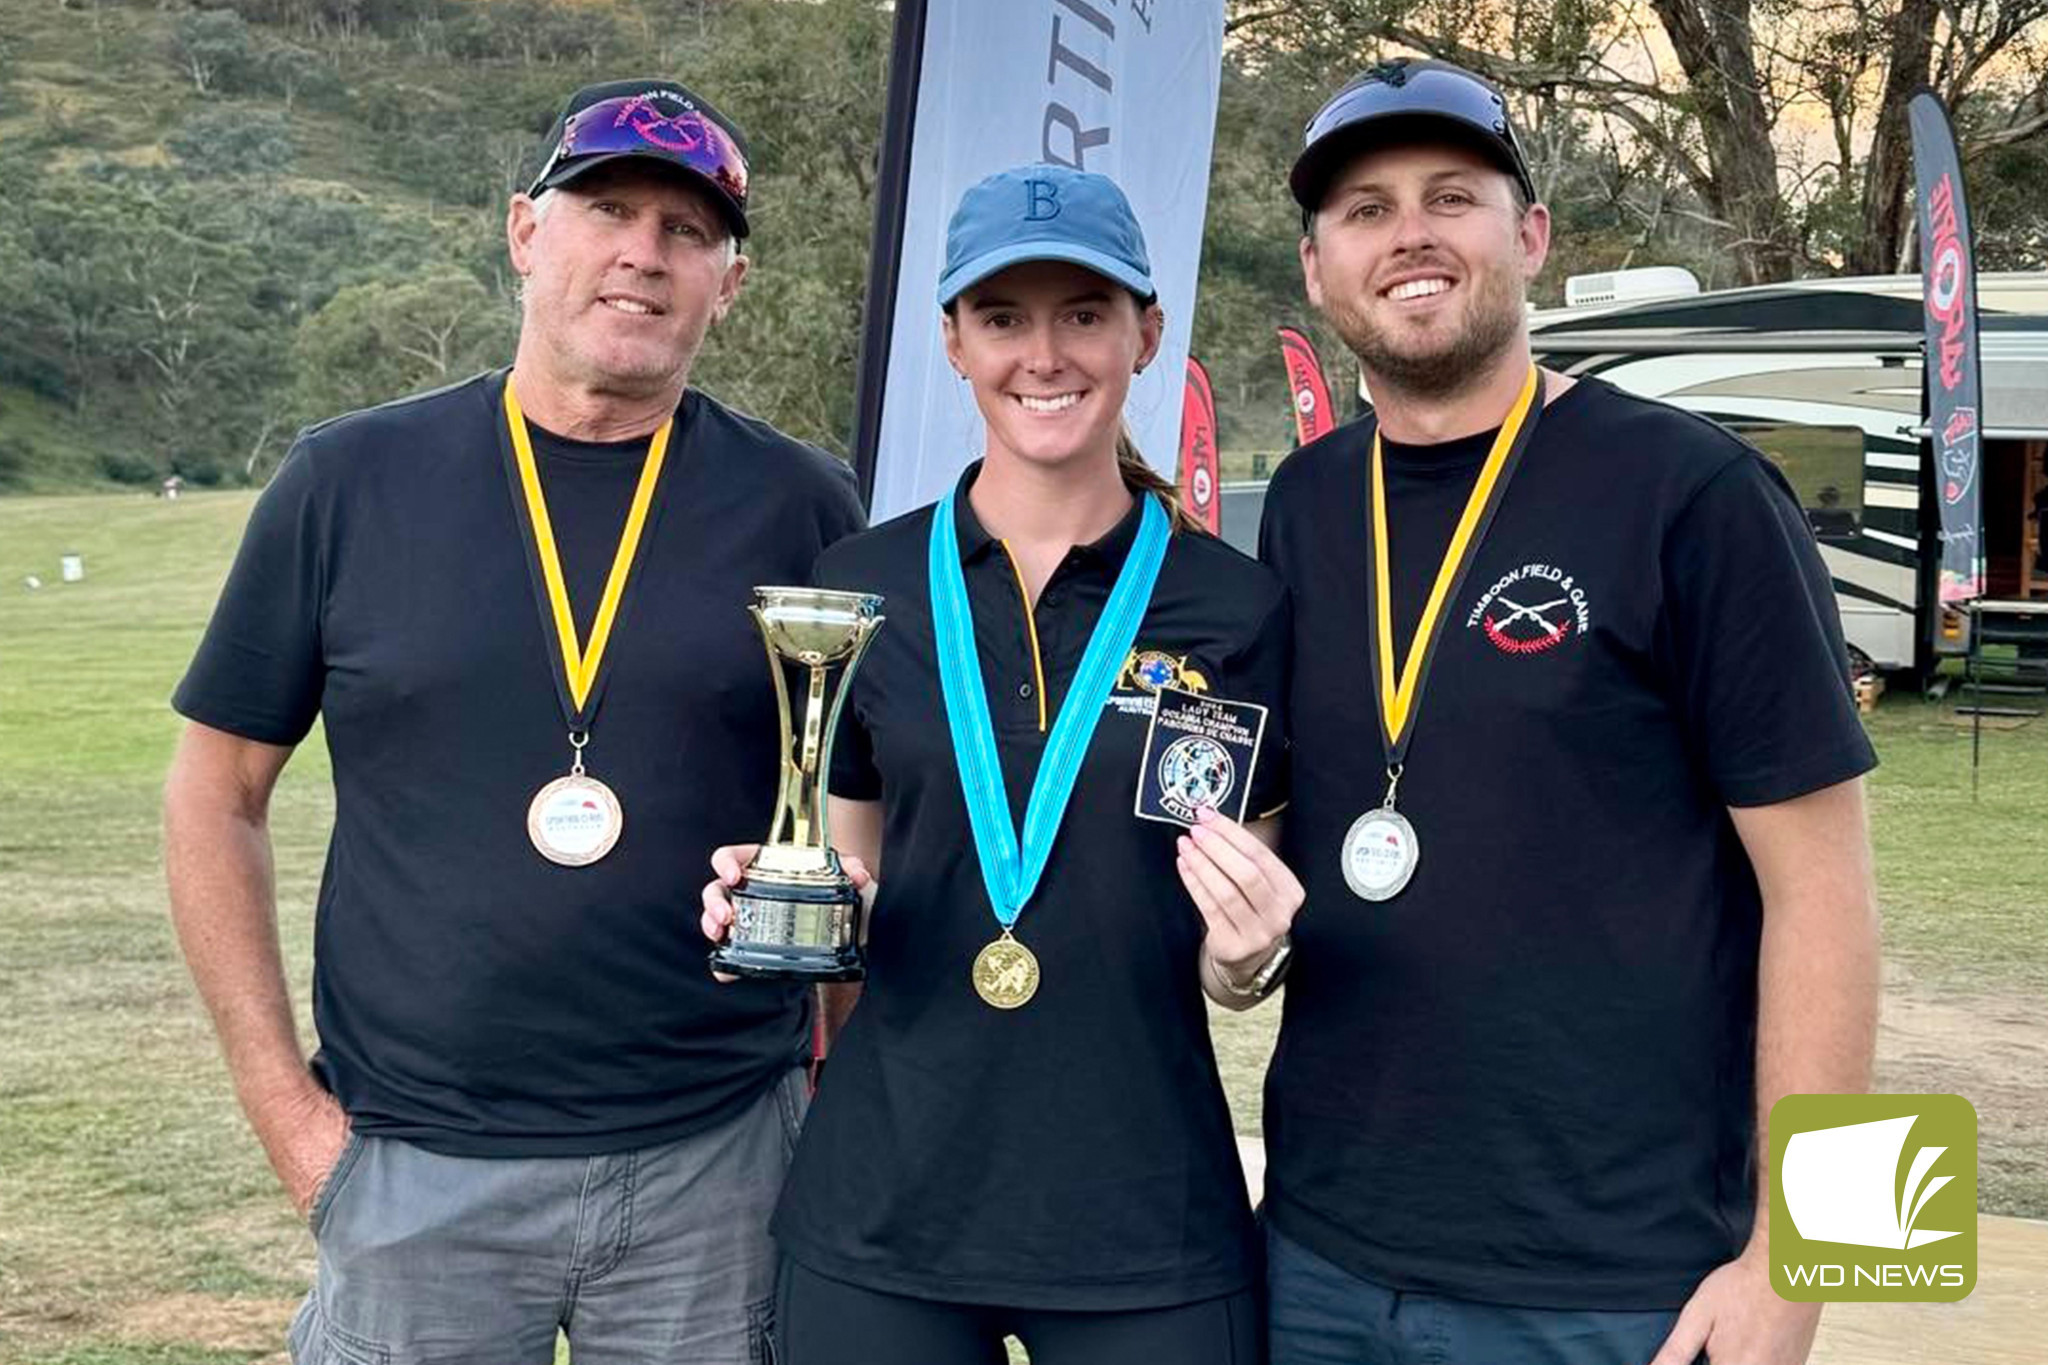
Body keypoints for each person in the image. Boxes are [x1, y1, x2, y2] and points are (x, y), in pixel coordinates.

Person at [163, 78, 864, 1365]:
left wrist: (835, 1078)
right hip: (413, 1170)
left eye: (686, 230)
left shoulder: (807, 506)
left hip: (715, 1170)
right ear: (525, 233)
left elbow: (866, 814)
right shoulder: (347, 482)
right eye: (606, 208)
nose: (643, 254)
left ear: (730, 281)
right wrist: (288, 1121)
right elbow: (216, 794)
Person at [1255, 59, 1882, 1365]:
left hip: (1617, 1289)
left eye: (1452, 196)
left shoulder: (1697, 496)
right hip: (1317, 1257)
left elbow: (1832, 897)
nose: (1410, 234)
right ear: (1318, 272)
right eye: (1365, 210)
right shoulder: (1302, 509)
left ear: (1529, 237)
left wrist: (1806, 1265)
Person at [701, 164, 1300, 1365]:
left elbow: (1242, 946)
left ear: (1144, 333)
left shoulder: (1234, 604)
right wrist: (785, 906)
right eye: (1002, 318)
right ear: (953, 342)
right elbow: (853, 883)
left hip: (1147, 1219)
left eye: (1082, 315)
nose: (1045, 355)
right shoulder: (856, 584)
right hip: (886, 1210)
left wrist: (1249, 957)